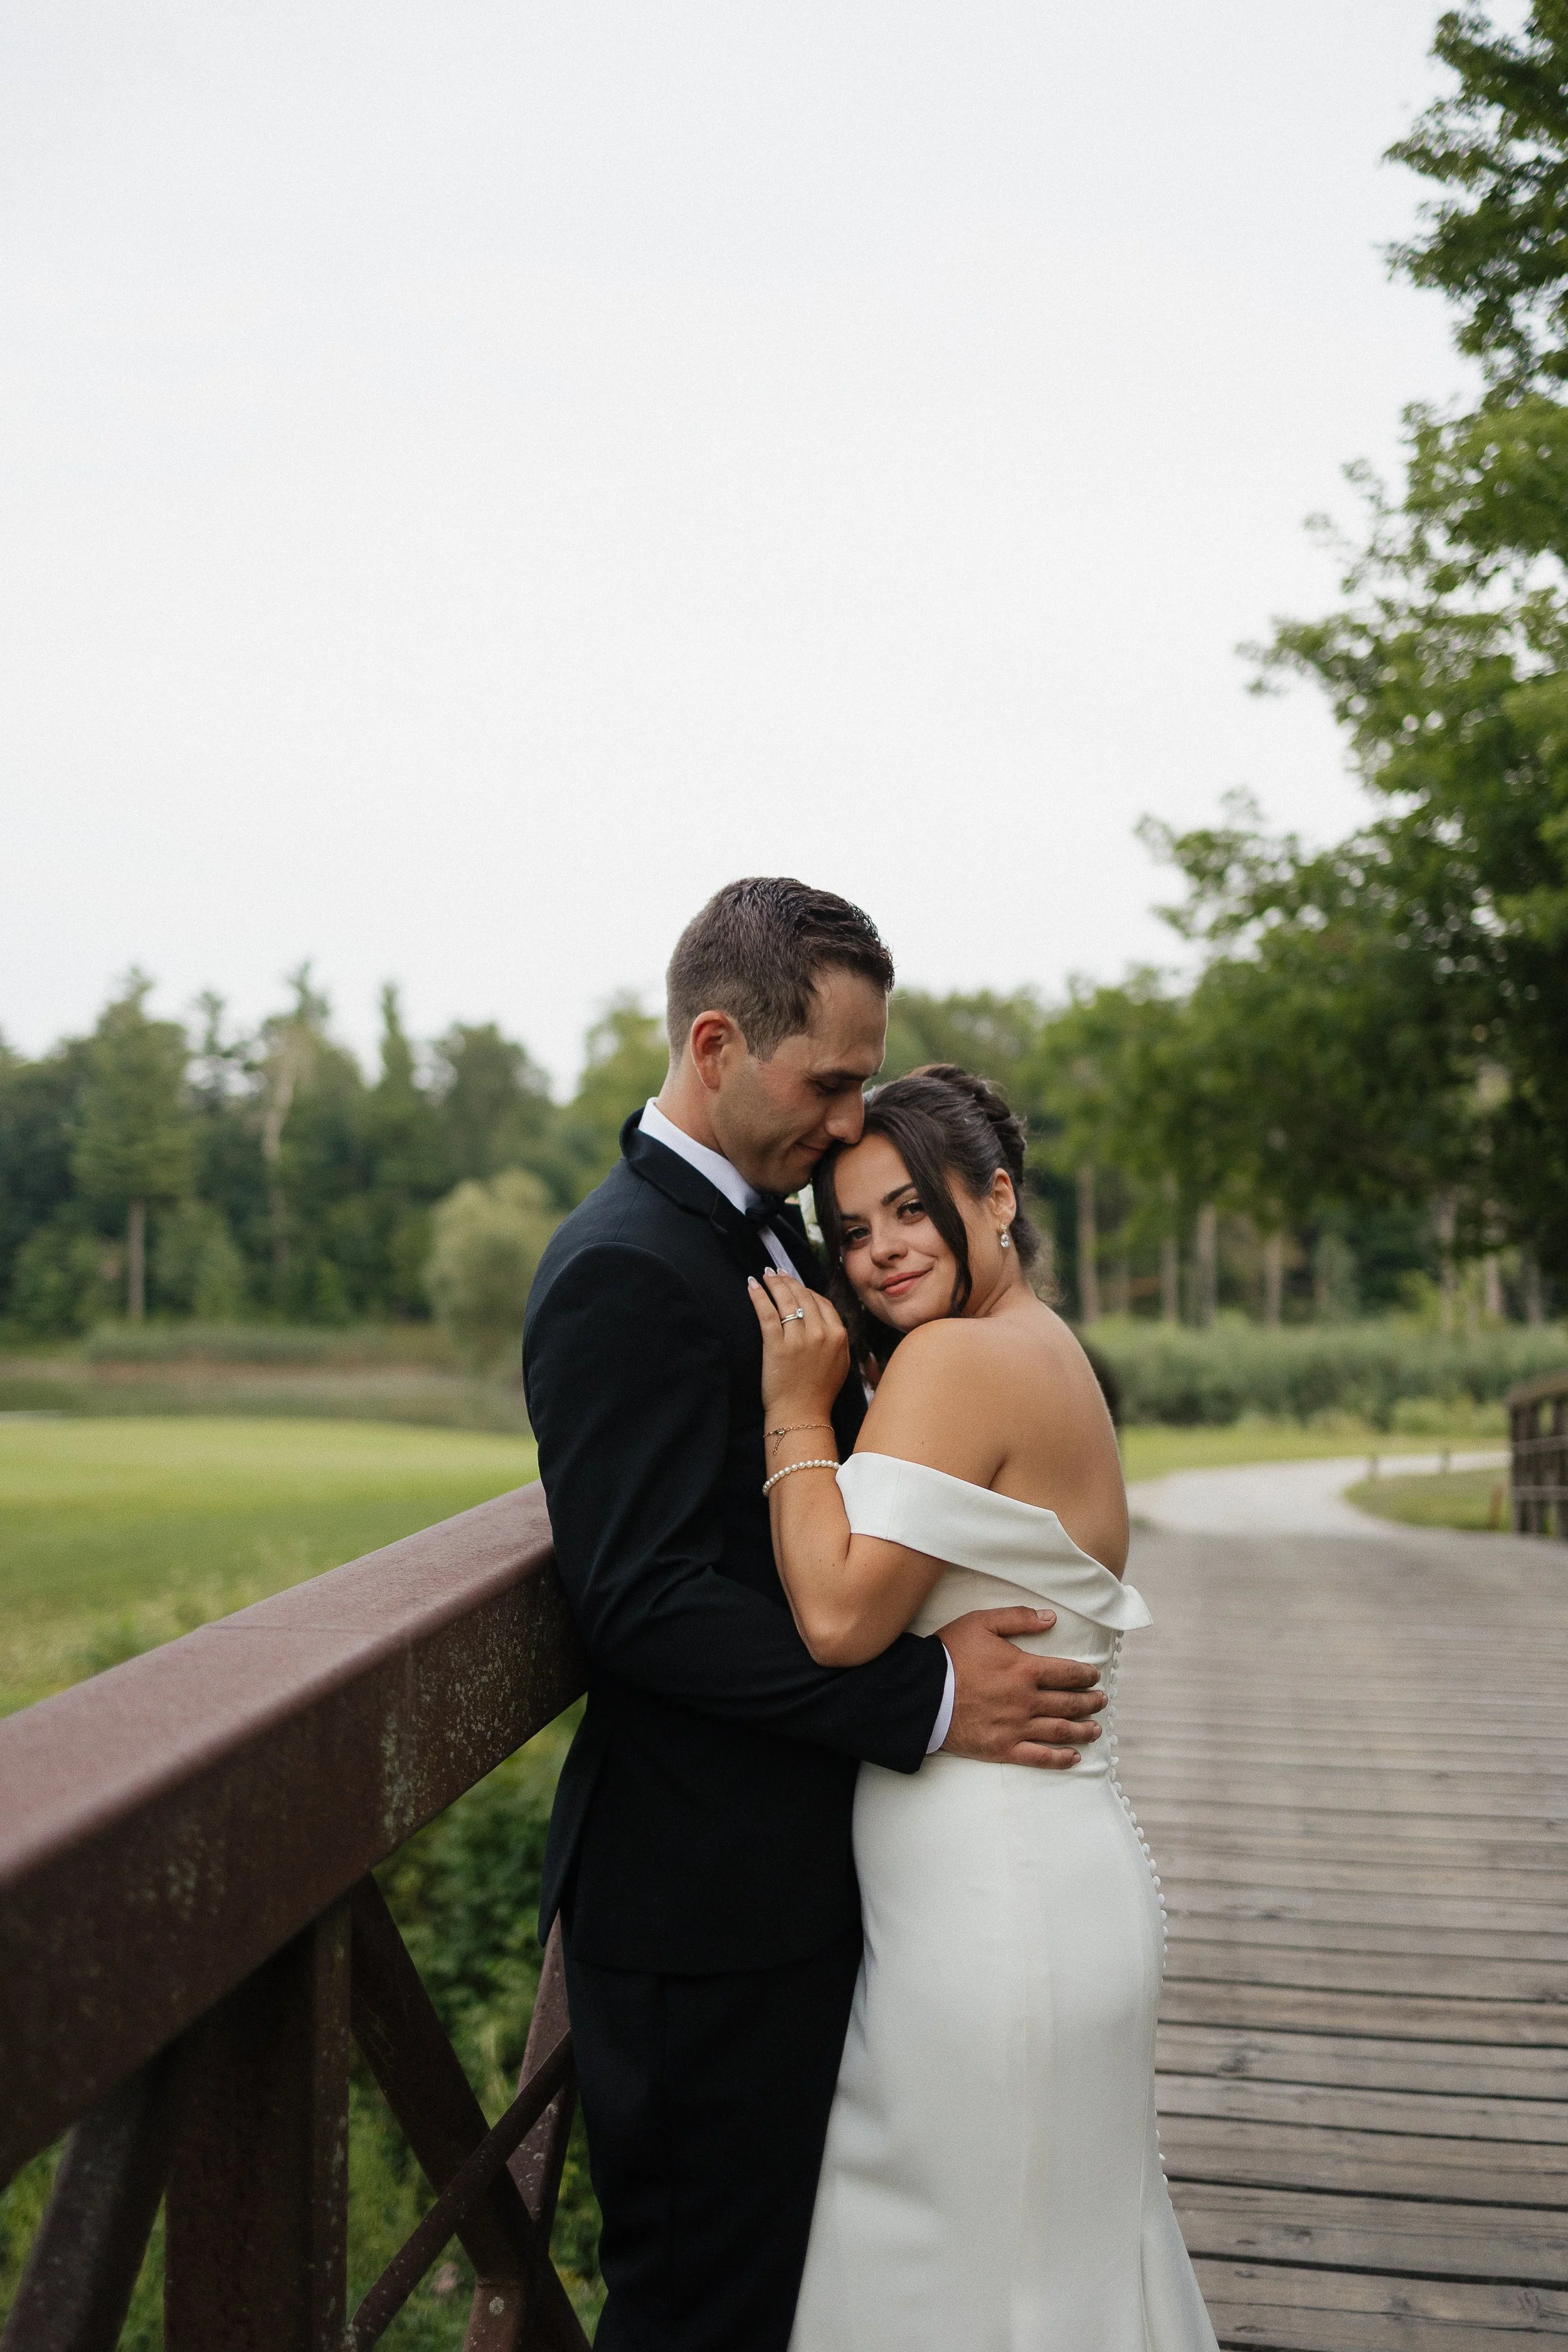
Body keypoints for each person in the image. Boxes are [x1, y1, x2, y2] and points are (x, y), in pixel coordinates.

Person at [523, 880, 1110, 2352]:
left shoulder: (774, 1233)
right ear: (717, 1042)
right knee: (699, 2312)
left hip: (814, 1887)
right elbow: (641, 1602)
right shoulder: (622, 1271)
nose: (851, 1123)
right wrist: (921, 1698)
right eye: (832, 1081)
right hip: (701, 1909)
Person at [752, 1064, 1219, 2352]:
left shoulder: (954, 1361)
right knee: (1036, 2277)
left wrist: (794, 1411)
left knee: (966, 2286)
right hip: (1037, 1884)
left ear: (995, 1196)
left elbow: (840, 1618)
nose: (881, 1252)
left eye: (910, 1211)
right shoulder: (1042, 1342)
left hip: (994, 1904)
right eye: (849, 1232)